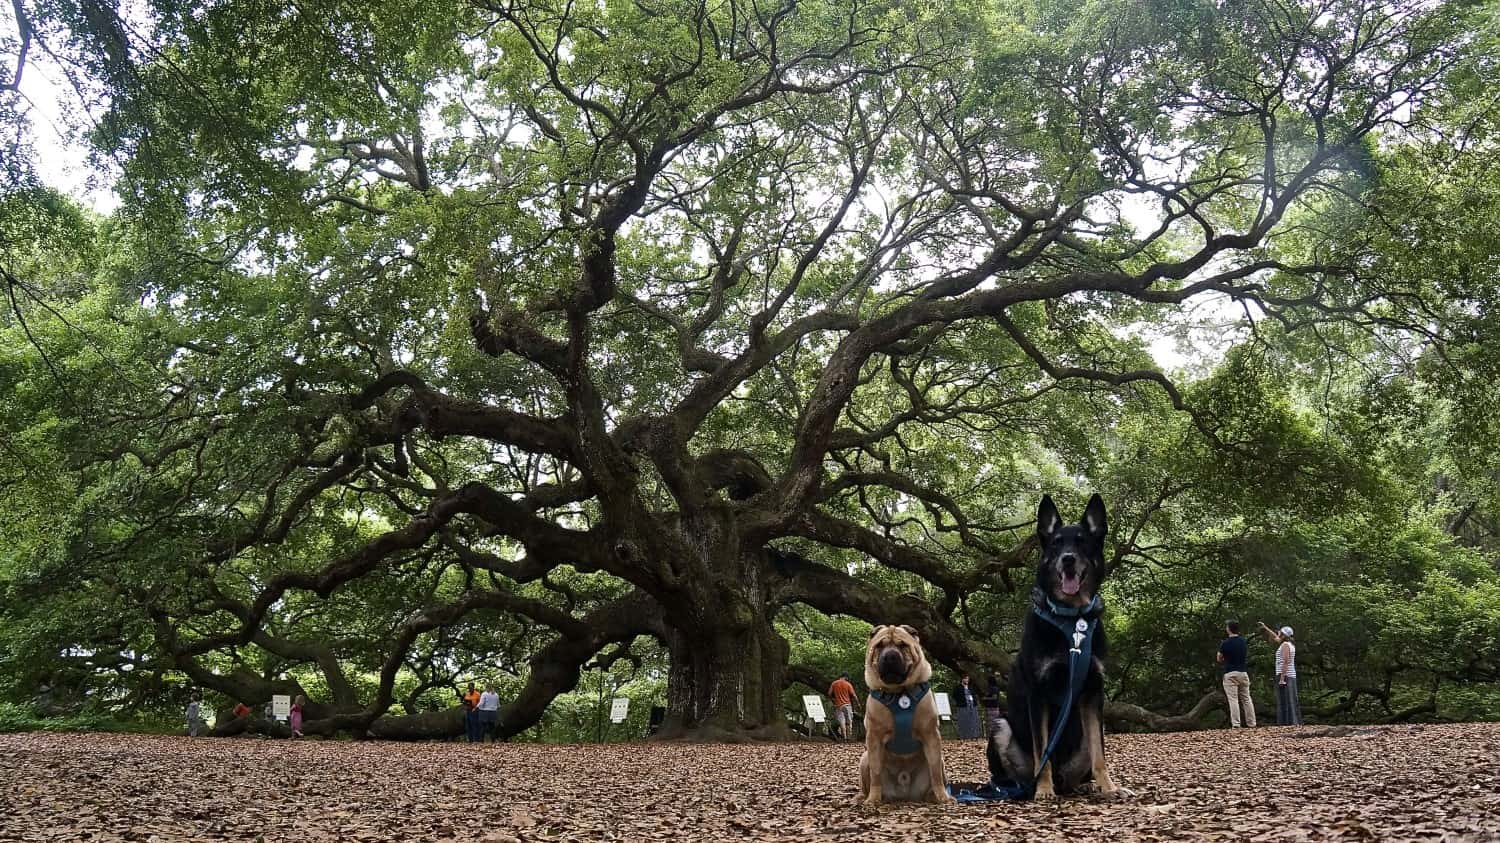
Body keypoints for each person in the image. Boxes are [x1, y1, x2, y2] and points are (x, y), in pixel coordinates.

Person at [1216, 620, 1255, 728]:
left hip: (1230, 673)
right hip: (1243, 672)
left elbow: (1219, 658)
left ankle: (1236, 724)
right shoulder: (1243, 641)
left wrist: (1224, 656)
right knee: (1246, 698)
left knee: (1233, 699)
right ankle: (1251, 723)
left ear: (1228, 629)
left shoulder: (1225, 643)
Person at [1272, 625, 1303, 725]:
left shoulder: (1285, 645)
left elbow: (1285, 661)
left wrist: (1282, 679)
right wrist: (1265, 628)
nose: (1278, 633)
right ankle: (1292, 722)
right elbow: (1275, 637)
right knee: (1290, 698)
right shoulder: (1289, 644)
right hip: (1289, 675)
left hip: (1285, 675)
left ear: (1284, 635)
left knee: (1285, 700)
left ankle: (1288, 723)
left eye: (1280, 632)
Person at [827, 673, 858, 742]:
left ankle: (844, 738)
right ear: (845, 677)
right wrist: (858, 703)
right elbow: (854, 695)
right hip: (847, 705)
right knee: (848, 722)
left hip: (838, 706)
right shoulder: (848, 684)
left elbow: (829, 693)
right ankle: (849, 738)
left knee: (842, 722)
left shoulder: (834, 683)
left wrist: (833, 700)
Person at [952, 673, 982, 739]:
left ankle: (974, 735)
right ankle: (964, 736)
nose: (967, 680)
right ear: (962, 679)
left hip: (972, 707)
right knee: (964, 722)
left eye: (967, 679)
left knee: (973, 721)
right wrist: (960, 701)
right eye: (965, 679)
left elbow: (974, 696)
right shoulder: (958, 688)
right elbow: (954, 696)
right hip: (963, 707)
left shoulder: (970, 687)